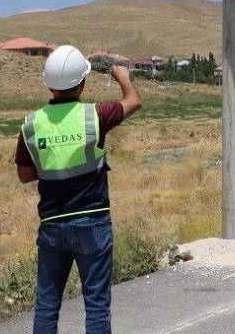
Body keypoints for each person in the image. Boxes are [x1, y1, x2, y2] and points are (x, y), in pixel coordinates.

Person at [14, 46, 142, 334]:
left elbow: (24, 174)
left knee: (47, 305)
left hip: (52, 225)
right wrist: (123, 77)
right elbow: (133, 102)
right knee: (96, 305)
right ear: (82, 84)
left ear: (49, 84)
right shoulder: (95, 115)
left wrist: (52, 164)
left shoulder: (32, 125)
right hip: (92, 223)